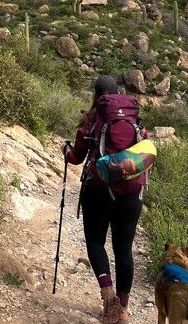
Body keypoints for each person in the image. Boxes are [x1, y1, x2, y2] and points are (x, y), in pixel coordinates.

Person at [64, 75, 148, 324]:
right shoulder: (135, 121)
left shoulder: (91, 122)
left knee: (95, 242)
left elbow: (76, 157)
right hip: (132, 193)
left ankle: (108, 297)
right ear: (118, 93)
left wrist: (66, 152)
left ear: (96, 96)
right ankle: (122, 310)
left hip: (99, 190)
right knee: (124, 250)